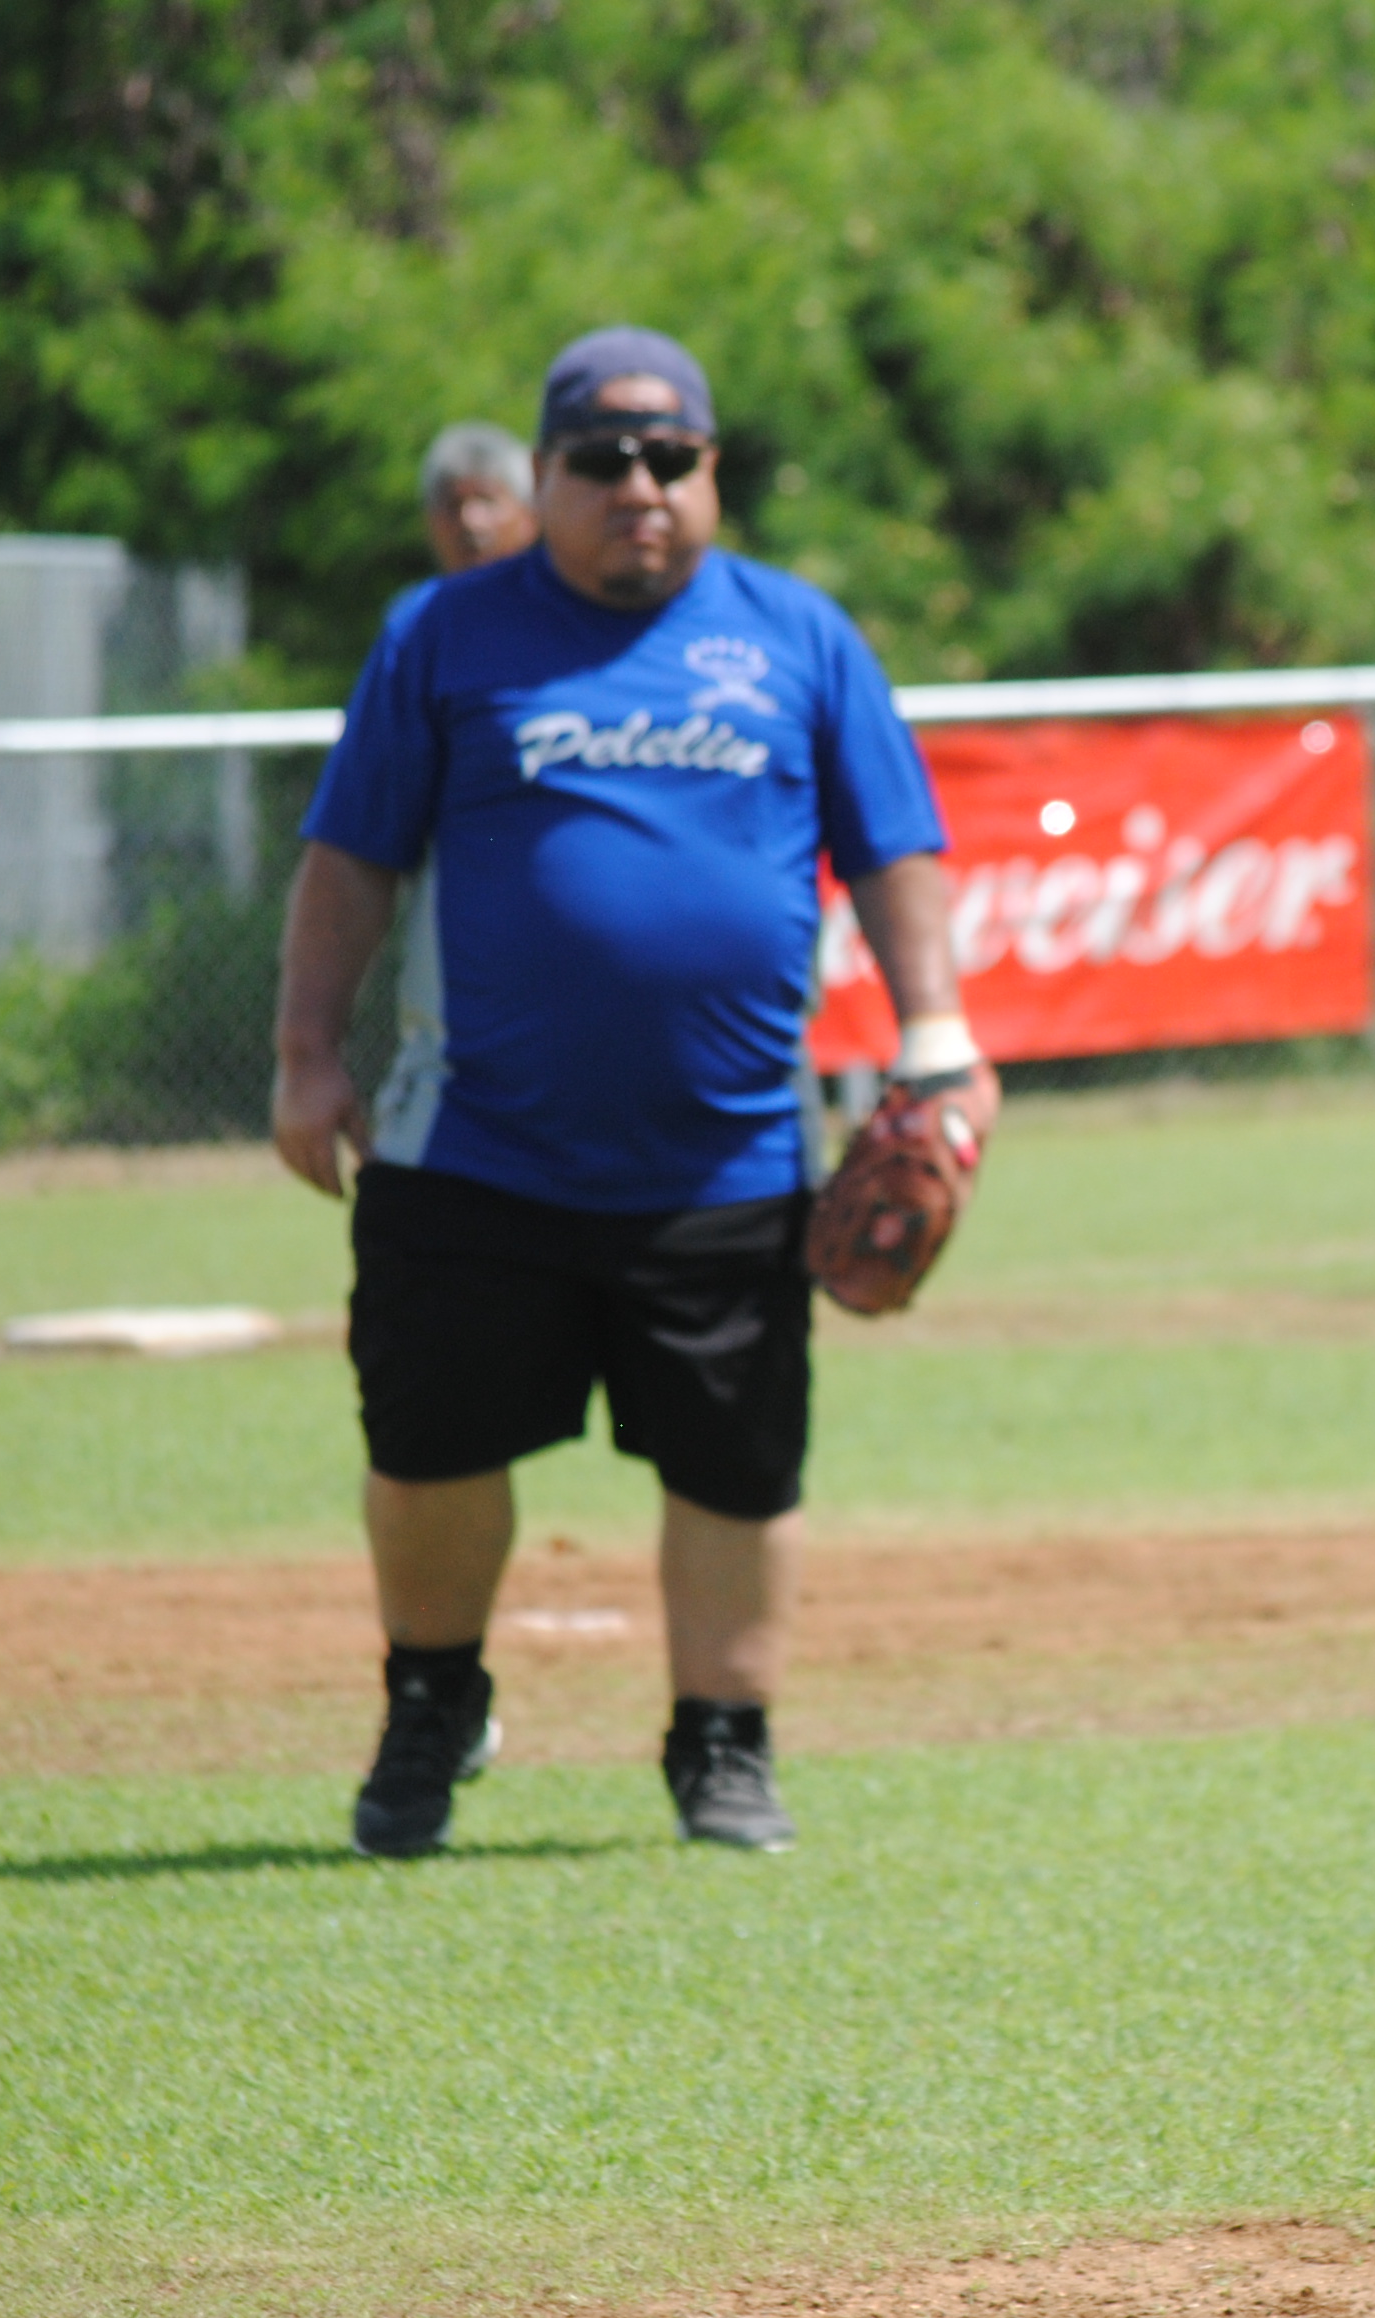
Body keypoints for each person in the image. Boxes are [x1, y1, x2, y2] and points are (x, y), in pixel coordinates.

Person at [273, 326, 990, 1861]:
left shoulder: (797, 637)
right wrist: (306, 1056)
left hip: (727, 1156)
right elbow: (350, 859)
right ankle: (433, 1702)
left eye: (672, 459)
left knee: (737, 1464)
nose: (639, 487)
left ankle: (722, 1746)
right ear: (541, 479)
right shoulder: (445, 635)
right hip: (470, 1151)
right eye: (601, 461)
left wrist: (936, 1028)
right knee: (429, 1454)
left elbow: (895, 848)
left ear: (713, 475)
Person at [417, 420, 540, 578]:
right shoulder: (425, 602)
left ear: (529, 515)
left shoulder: (566, 597)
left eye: (487, 500)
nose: (469, 521)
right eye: (453, 505)